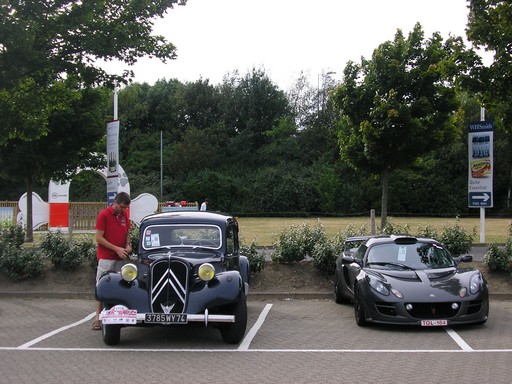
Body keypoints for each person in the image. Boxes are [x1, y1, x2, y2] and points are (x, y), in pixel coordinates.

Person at [91, 191, 132, 330]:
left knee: (122, 284)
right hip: (106, 256)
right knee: (101, 285)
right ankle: (97, 318)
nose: (123, 210)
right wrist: (116, 249)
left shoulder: (124, 215)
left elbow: (127, 232)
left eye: (125, 208)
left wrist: (127, 245)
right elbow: (99, 238)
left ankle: (120, 313)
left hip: (120, 256)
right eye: (121, 207)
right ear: (115, 202)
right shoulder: (104, 215)